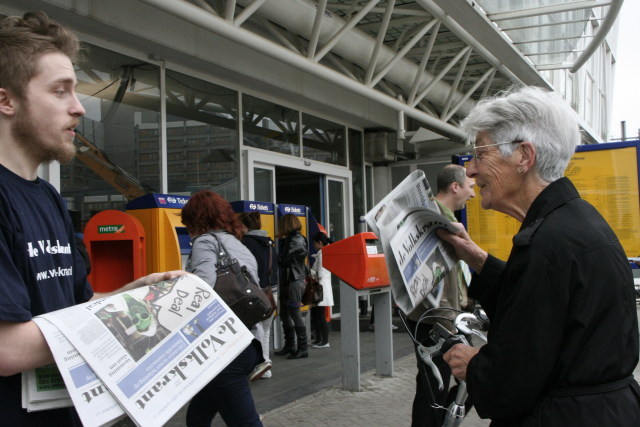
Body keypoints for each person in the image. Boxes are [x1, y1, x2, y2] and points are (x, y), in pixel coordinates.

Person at [0, 11, 184, 425]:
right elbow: (8, 349)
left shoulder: (47, 197)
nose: (79, 108)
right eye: (60, 91)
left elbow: (76, 306)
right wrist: (116, 318)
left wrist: (134, 296)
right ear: (6, 100)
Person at [438, 86, 640, 425]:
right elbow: (541, 306)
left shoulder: (547, 243)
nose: (470, 170)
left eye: (480, 154)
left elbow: (512, 380)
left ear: (523, 156)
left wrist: (474, 365)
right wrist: (475, 257)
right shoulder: (574, 222)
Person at [181, 190, 264, 427]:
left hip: (226, 351)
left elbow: (202, 290)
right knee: (197, 419)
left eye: (188, 222)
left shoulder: (205, 242)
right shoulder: (237, 245)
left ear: (199, 220)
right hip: (248, 342)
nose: (188, 229)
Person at [405, 164, 476, 427]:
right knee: (436, 386)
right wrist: (452, 330)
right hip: (437, 320)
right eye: (470, 187)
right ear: (455, 186)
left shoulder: (445, 219)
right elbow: (436, 282)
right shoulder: (437, 222)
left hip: (444, 317)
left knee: (436, 385)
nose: (473, 194)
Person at [239, 211, 278, 379]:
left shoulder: (244, 244)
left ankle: (259, 365)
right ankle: (265, 366)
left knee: (255, 330)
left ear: (243, 226)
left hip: (255, 294)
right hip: (271, 292)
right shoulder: (269, 244)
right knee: (266, 331)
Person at [274, 213, 309, 359]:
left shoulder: (296, 240)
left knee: (294, 312)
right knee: (285, 313)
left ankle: (302, 348)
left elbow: (284, 260)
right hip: (290, 279)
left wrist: (280, 244)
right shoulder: (293, 239)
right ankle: (290, 345)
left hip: (295, 279)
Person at [309, 231, 334, 348]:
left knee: (320, 316)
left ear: (320, 243)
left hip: (321, 289)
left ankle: (324, 341)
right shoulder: (324, 253)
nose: (314, 246)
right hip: (322, 288)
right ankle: (319, 340)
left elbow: (321, 274)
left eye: (315, 243)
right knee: (317, 315)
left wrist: (310, 271)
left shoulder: (323, 254)